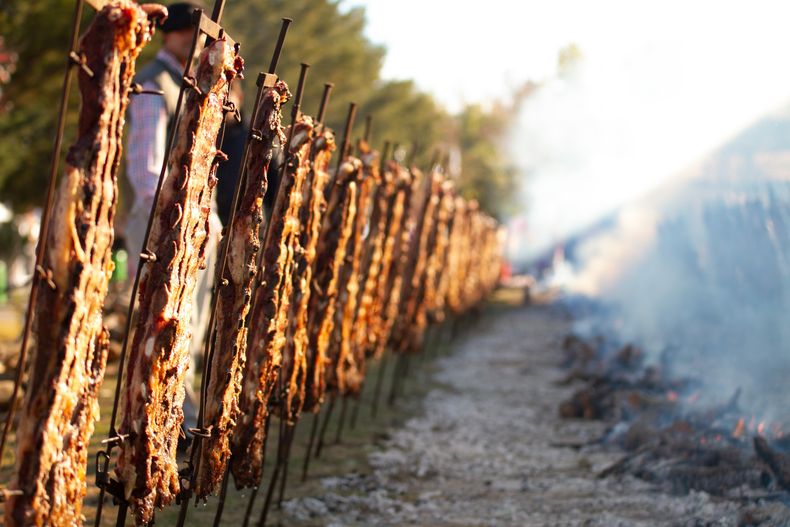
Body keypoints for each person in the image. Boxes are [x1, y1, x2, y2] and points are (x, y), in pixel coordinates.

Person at [124, 1, 218, 439]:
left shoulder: (188, 84)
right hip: (162, 224)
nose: (198, 44)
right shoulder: (154, 84)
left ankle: (178, 415)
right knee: (161, 326)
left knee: (191, 326)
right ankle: (156, 422)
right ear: (173, 35)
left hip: (189, 224)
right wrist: (174, 221)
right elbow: (146, 172)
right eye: (192, 36)